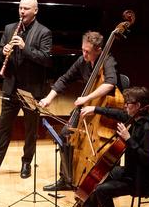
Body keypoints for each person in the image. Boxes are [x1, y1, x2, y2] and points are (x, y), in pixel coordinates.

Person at [63, 86, 149, 207]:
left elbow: (146, 159)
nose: (125, 106)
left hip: (142, 180)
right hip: (132, 171)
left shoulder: (148, 128)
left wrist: (129, 139)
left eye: (128, 103)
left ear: (137, 106)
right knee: (101, 173)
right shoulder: (134, 117)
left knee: (102, 190)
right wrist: (95, 108)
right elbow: (117, 113)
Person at [0, 0, 52, 178]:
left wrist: (24, 48)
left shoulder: (44, 32)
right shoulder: (9, 29)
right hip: (11, 86)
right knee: (3, 127)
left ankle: (26, 163)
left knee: (30, 129)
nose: (22, 11)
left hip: (31, 89)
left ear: (35, 10)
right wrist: (3, 51)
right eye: (20, 8)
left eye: (26, 9)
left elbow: (46, 59)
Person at [39, 31, 118, 191]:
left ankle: (95, 182)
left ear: (99, 50)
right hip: (85, 108)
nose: (84, 54)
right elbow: (65, 79)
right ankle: (66, 178)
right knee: (65, 136)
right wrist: (49, 98)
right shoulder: (83, 60)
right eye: (83, 49)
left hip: (101, 109)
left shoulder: (108, 61)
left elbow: (110, 84)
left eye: (87, 51)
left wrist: (87, 98)